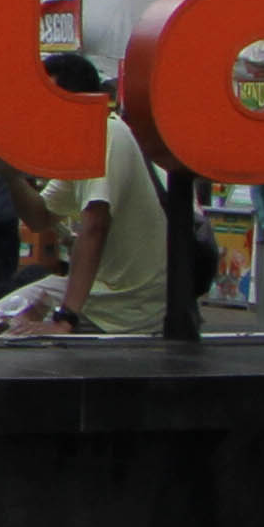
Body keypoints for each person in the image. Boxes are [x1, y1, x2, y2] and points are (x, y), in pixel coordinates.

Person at [40, 56, 172, 336]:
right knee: (4, 312)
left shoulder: (104, 135)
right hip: (103, 293)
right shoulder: (82, 142)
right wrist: (9, 173)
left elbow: (95, 227)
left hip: (125, 308)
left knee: (13, 336)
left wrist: (66, 320)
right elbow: (40, 216)